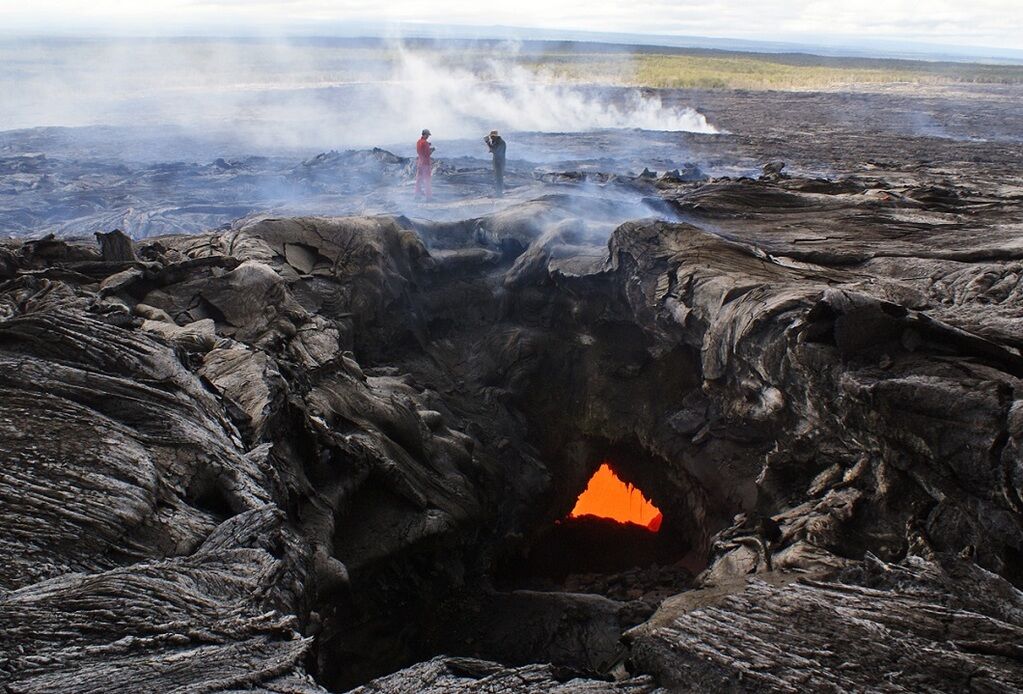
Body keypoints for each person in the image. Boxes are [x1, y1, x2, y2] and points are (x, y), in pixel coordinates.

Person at [483, 130, 506, 196]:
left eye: (492, 136)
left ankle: (499, 193)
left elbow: (494, 150)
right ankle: (498, 192)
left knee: (498, 177)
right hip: (498, 160)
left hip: (499, 161)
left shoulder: (500, 142)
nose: (491, 138)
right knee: (497, 177)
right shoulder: (498, 141)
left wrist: (487, 142)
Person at [415, 129, 435, 200]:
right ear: (425, 134)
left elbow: (421, 149)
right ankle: (428, 198)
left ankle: (417, 196)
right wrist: (432, 150)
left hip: (420, 163)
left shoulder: (418, 142)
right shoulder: (425, 143)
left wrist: (427, 145)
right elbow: (427, 154)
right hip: (425, 164)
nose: (428, 137)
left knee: (419, 181)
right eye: (427, 135)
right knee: (427, 181)